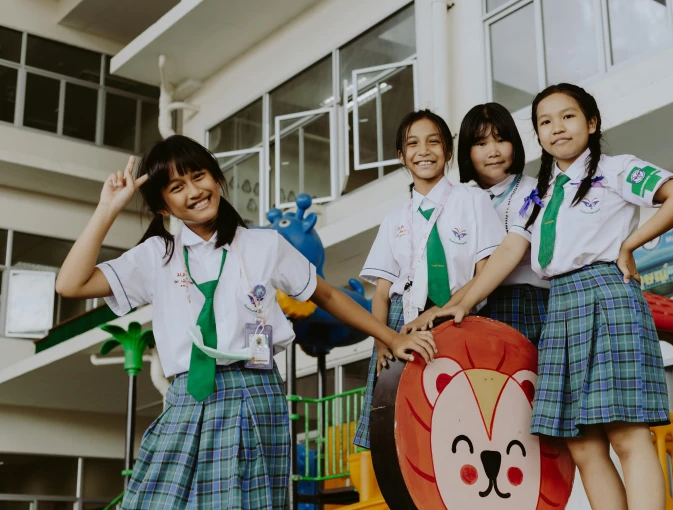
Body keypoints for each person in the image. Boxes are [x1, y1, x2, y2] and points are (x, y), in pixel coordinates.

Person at [55, 135, 436, 509]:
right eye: (177, 186)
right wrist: (108, 208)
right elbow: (70, 283)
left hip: (253, 390)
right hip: (187, 395)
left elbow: (329, 295)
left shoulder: (262, 244)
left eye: (199, 176)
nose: (194, 190)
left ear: (217, 178)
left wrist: (389, 336)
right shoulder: (157, 255)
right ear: (164, 206)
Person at [427, 84, 673, 510]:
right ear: (537, 135)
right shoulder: (538, 190)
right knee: (583, 443)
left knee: (626, 434)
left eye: (568, 116)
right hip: (562, 305)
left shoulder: (616, 169)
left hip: (607, 295)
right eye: (545, 121)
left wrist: (630, 245)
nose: (557, 128)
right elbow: (509, 251)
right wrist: (459, 304)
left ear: (591, 123)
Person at [352, 110, 505, 449]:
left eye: (434, 141)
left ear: (448, 151)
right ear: (401, 157)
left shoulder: (473, 200)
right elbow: (380, 294)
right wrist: (382, 342)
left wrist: (441, 312)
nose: (424, 150)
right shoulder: (394, 220)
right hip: (401, 326)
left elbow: (486, 273)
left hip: (458, 316)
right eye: (413, 144)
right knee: (403, 431)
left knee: (461, 424)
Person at [457, 102, 550, 345]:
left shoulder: (538, 189)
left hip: (529, 301)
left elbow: (511, 251)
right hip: (470, 307)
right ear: (467, 151)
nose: (493, 151)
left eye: (500, 140)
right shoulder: (458, 201)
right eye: (481, 144)